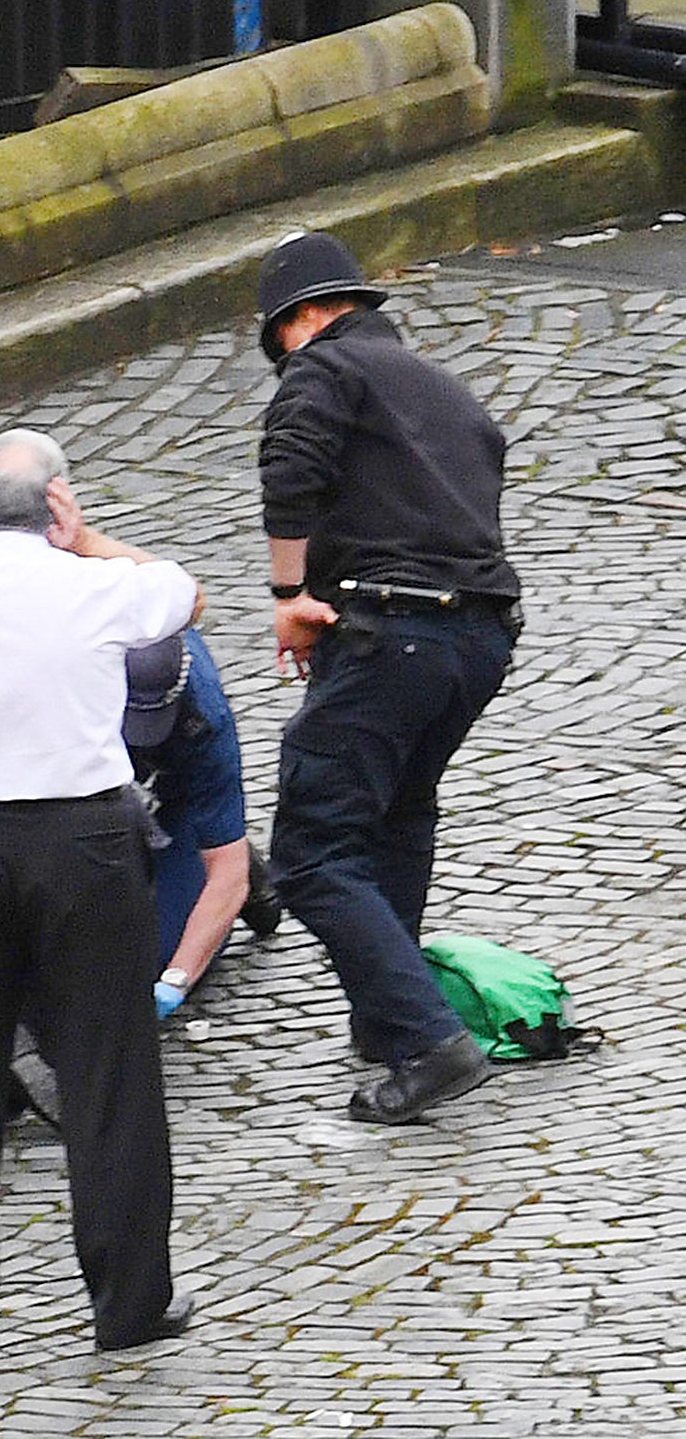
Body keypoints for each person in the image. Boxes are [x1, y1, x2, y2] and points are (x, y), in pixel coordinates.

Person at [0, 429, 200, 1355]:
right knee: (110, 1068)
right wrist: (90, 541)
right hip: (84, 837)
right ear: (56, 502)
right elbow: (186, 594)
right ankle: (129, 1303)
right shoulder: (97, 584)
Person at [256, 230, 522, 1125]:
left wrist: (290, 592)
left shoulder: (323, 370)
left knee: (313, 849)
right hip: (480, 638)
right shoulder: (442, 387)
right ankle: (388, 1016)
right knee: (401, 811)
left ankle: (427, 1041)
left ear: (302, 319)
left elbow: (291, 473)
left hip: (393, 632)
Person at [121, 627, 279, 1018]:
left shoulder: (205, 716)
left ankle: (229, 843)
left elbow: (226, 874)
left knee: (150, 965)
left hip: (180, 798)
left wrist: (176, 981)